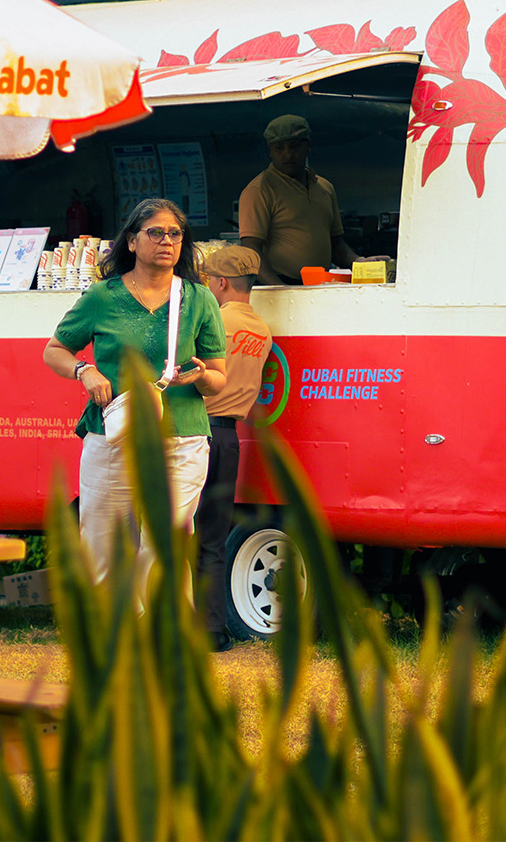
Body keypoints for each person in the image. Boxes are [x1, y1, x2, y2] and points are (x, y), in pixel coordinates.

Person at [41, 198, 227, 589]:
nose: (167, 241)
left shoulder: (199, 299)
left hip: (182, 436)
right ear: (131, 241)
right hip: (114, 435)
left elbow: (218, 378)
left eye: (175, 233)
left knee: (165, 547)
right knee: (104, 549)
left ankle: (161, 626)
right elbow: (55, 351)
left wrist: (200, 377)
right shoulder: (102, 297)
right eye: (155, 232)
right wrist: (85, 370)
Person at [194, 244, 272, 651]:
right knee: (213, 536)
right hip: (229, 438)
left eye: (209, 279)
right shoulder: (262, 330)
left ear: (221, 282)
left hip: (192, 432)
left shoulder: (211, 320)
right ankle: (211, 629)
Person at [239, 114, 356, 285]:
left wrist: (359, 262)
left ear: (308, 146)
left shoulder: (324, 187)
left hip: (321, 284)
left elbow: (336, 245)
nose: (288, 154)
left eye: (295, 146)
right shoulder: (259, 190)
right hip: (280, 284)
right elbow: (251, 249)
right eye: (279, 148)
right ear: (270, 151)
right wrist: (279, 288)